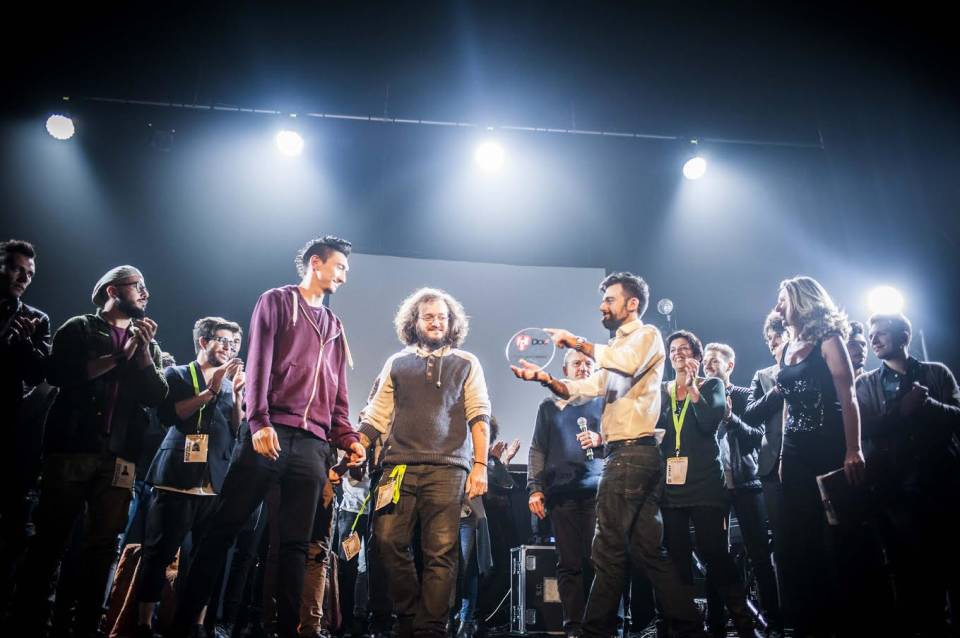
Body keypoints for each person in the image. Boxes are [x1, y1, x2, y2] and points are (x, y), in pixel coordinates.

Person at [171, 236, 366, 638]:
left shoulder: (335, 326)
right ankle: (183, 625)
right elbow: (259, 363)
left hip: (313, 446)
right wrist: (259, 422)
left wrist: (347, 436)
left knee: (295, 545)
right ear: (316, 263)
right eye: (340, 267)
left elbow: (338, 390)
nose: (344, 277)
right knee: (224, 529)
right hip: (270, 433)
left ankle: (285, 631)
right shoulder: (276, 301)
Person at [511, 272, 706, 638]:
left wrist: (576, 341)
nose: (602, 306)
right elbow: (586, 386)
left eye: (610, 299)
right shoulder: (616, 348)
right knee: (648, 552)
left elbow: (626, 363)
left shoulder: (645, 337)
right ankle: (690, 626)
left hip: (630, 456)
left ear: (632, 304)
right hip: (635, 458)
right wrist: (546, 380)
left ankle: (594, 630)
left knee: (607, 550)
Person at [15, 265, 167, 637]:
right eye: (138, 285)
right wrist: (121, 355)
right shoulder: (80, 327)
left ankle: (85, 625)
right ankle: (31, 620)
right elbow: (59, 374)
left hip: (120, 456)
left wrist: (144, 356)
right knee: (51, 539)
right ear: (113, 290)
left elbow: (156, 396)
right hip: (72, 448)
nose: (146, 293)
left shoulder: (148, 342)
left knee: (104, 546)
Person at [357, 287, 491, 638]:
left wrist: (480, 466)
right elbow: (376, 415)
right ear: (413, 322)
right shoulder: (397, 363)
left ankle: (430, 628)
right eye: (429, 316)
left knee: (441, 552)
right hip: (397, 466)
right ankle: (410, 616)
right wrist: (357, 446)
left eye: (442, 317)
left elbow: (480, 415)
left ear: (452, 322)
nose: (436, 322)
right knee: (386, 540)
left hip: (449, 468)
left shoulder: (467, 362)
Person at [134, 318, 245, 637]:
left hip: (214, 482)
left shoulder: (231, 384)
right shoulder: (177, 374)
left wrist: (238, 396)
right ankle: (144, 623)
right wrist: (210, 391)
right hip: (176, 476)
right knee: (159, 553)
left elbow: (237, 430)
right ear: (203, 341)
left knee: (204, 560)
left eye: (233, 344)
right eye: (222, 340)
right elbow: (169, 415)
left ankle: (194, 624)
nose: (229, 348)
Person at [856, 312, 960, 635]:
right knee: (911, 579)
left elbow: (958, 416)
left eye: (881, 333)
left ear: (904, 336)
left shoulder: (936, 372)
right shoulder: (865, 384)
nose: (874, 340)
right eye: (871, 335)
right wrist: (902, 411)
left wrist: (927, 406)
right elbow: (864, 429)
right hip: (896, 495)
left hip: (943, 486)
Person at [772, 276, 864, 636]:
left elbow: (848, 395)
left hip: (829, 445)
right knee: (801, 535)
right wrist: (783, 454)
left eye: (782, 300)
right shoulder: (784, 347)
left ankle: (848, 618)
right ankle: (811, 621)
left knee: (837, 534)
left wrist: (853, 448)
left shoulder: (829, 339)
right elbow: (787, 407)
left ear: (801, 301)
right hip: (795, 452)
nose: (778, 307)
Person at [657, 332, 759, 638]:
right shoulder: (662, 390)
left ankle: (744, 624)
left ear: (696, 356)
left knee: (714, 552)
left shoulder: (711, 385)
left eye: (684, 349)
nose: (677, 353)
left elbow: (708, 422)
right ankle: (686, 627)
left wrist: (692, 389)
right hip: (671, 486)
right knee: (677, 558)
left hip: (705, 484)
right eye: (673, 349)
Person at [703, 342, 781, 636]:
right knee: (715, 555)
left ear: (729, 366)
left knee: (760, 554)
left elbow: (757, 438)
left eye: (714, 361)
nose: (708, 366)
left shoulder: (745, 395)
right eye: (706, 362)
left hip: (747, 482)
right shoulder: (700, 398)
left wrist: (731, 418)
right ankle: (715, 624)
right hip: (713, 487)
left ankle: (774, 621)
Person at [527, 349, 603, 638]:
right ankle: (573, 627)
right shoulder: (549, 404)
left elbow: (621, 442)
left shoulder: (604, 402)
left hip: (598, 493)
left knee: (602, 562)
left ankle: (603, 625)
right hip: (561, 494)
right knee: (569, 564)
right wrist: (535, 488)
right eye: (577, 363)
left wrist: (600, 438)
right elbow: (538, 448)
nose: (583, 367)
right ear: (565, 369)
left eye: (588, 363)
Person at [0, 239, 51, 609]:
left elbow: (40, 373)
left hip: (10, 431)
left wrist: (24, 344)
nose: (23, 278)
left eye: (29, 274)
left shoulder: (36, 319)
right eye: (16, 268)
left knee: (13, 523)